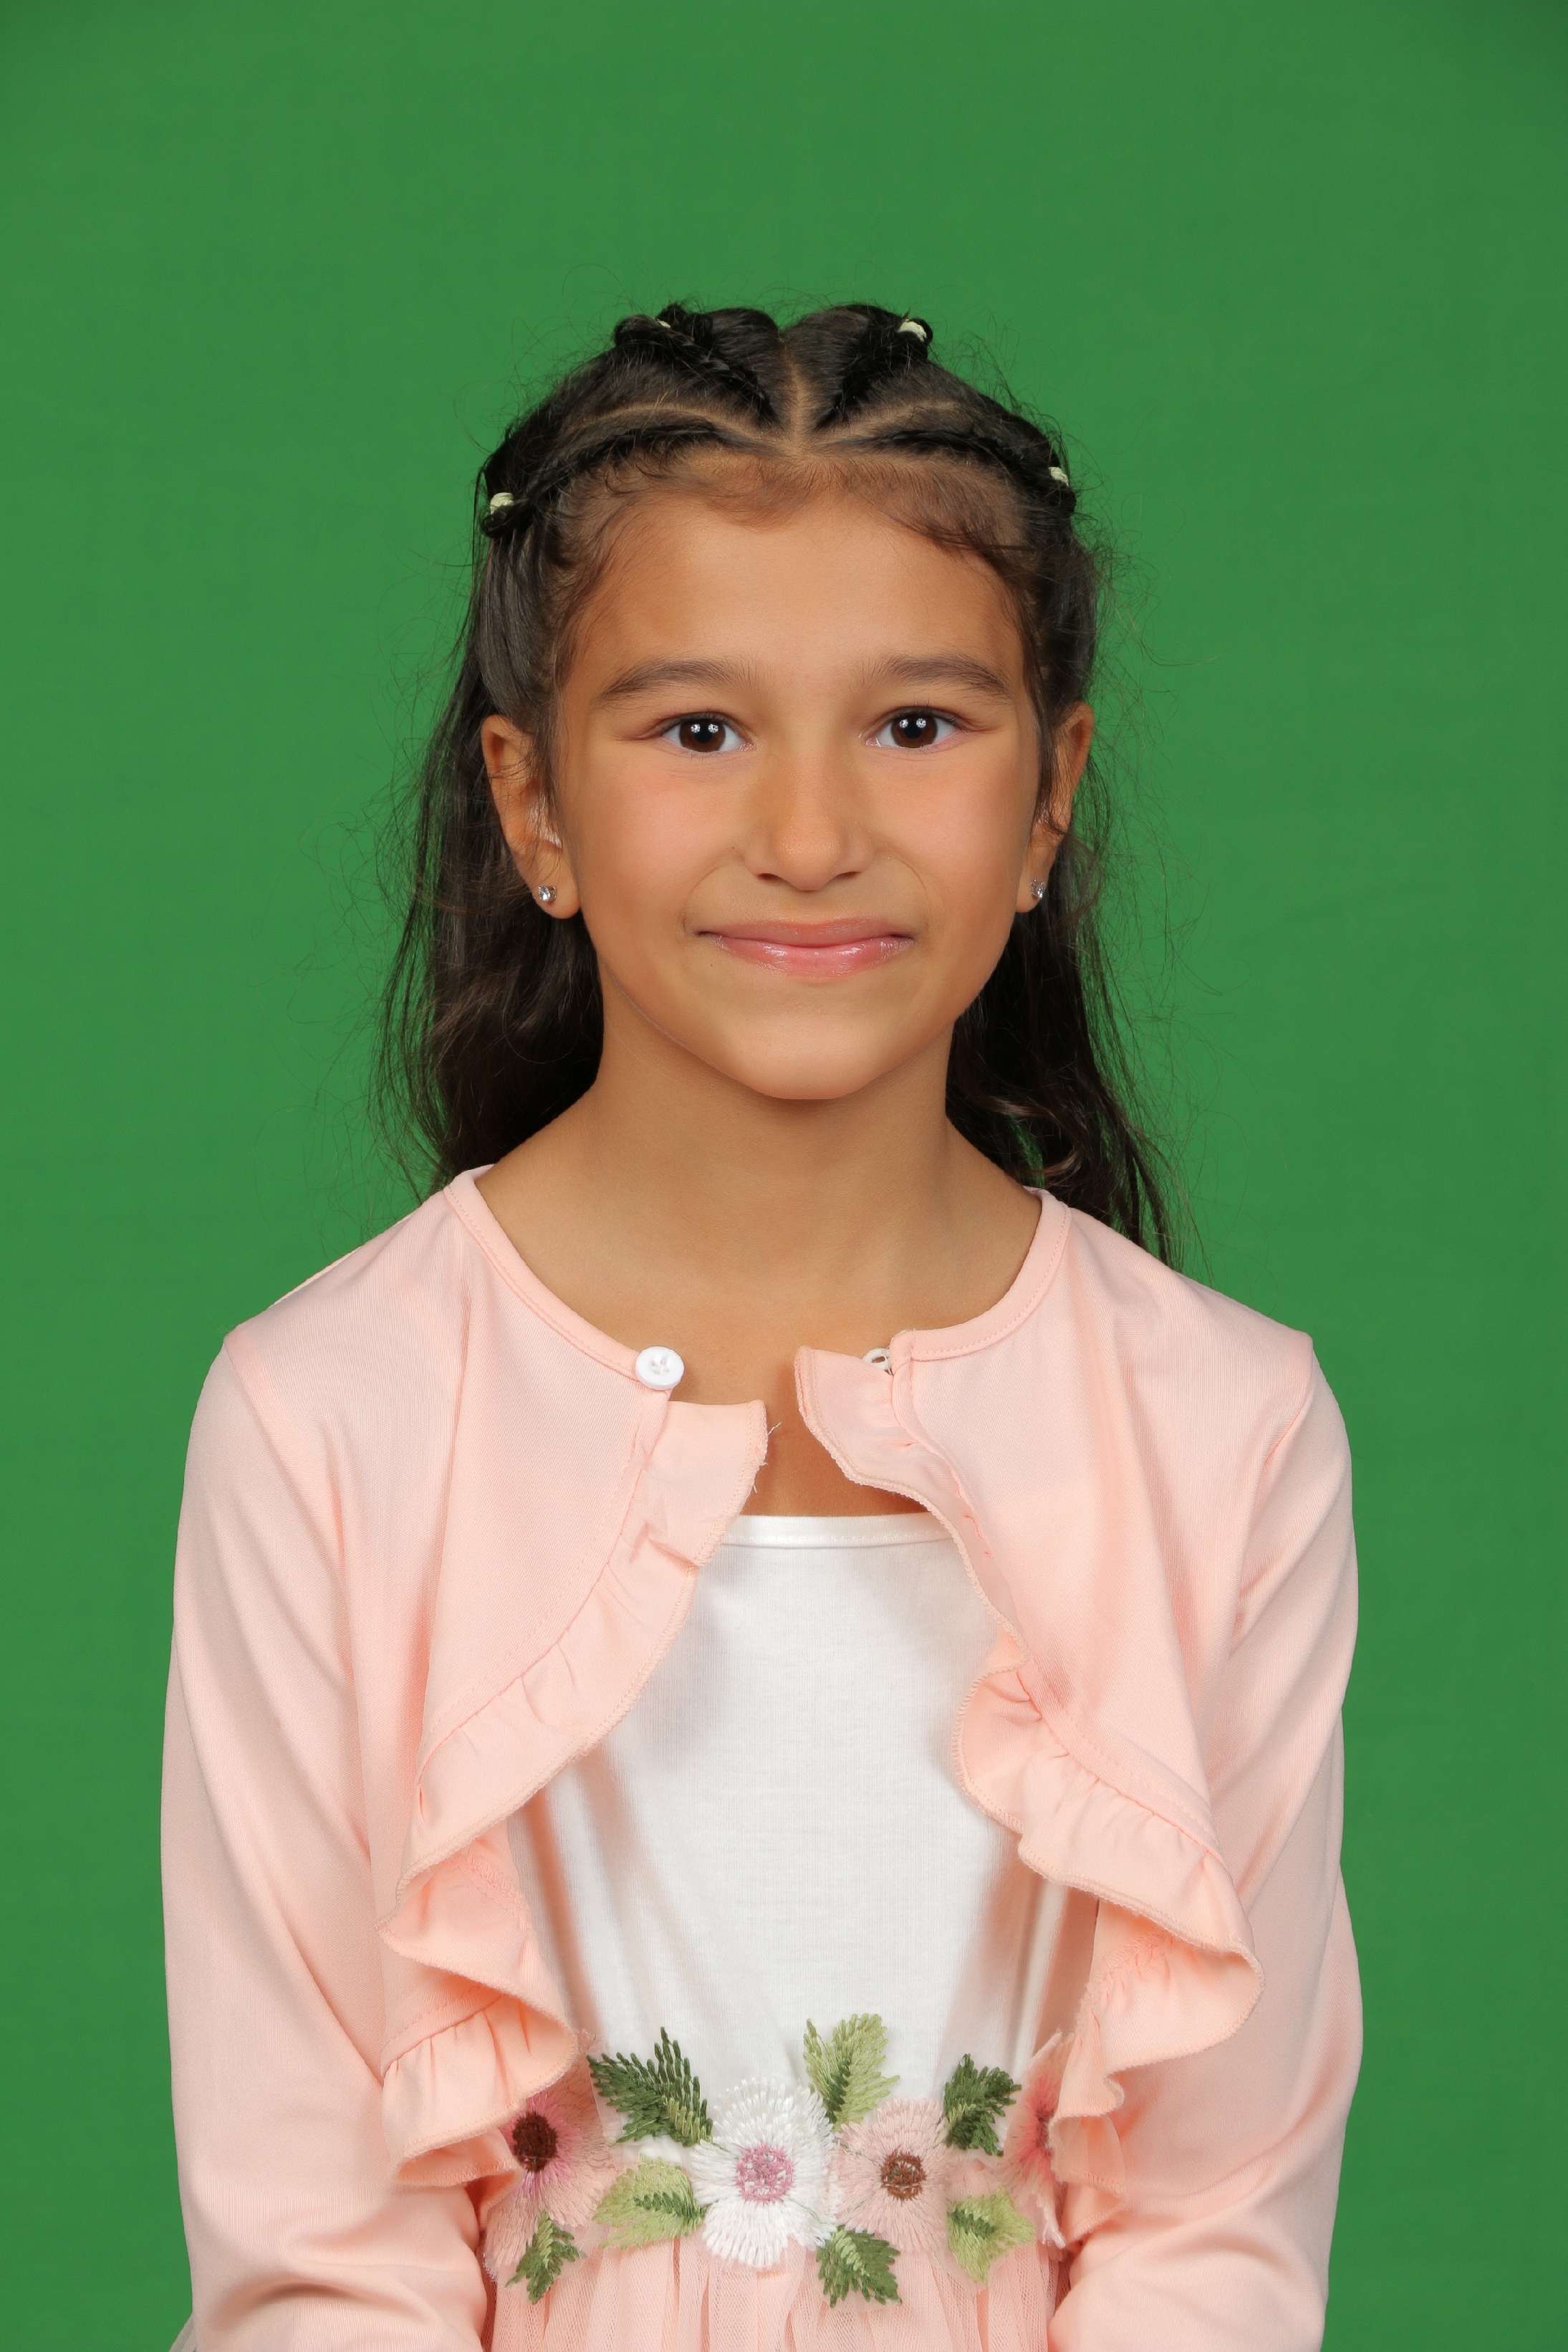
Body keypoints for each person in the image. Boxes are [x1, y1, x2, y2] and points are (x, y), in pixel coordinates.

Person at [162, 303, 1361, 2352]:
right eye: (699, 731)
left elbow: (1214, 2232)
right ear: (534, 803)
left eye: (919, 725)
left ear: (1053, 793)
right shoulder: (331, 1415)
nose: (811, 837)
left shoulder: (1225, 1424)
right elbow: (320, 2257)